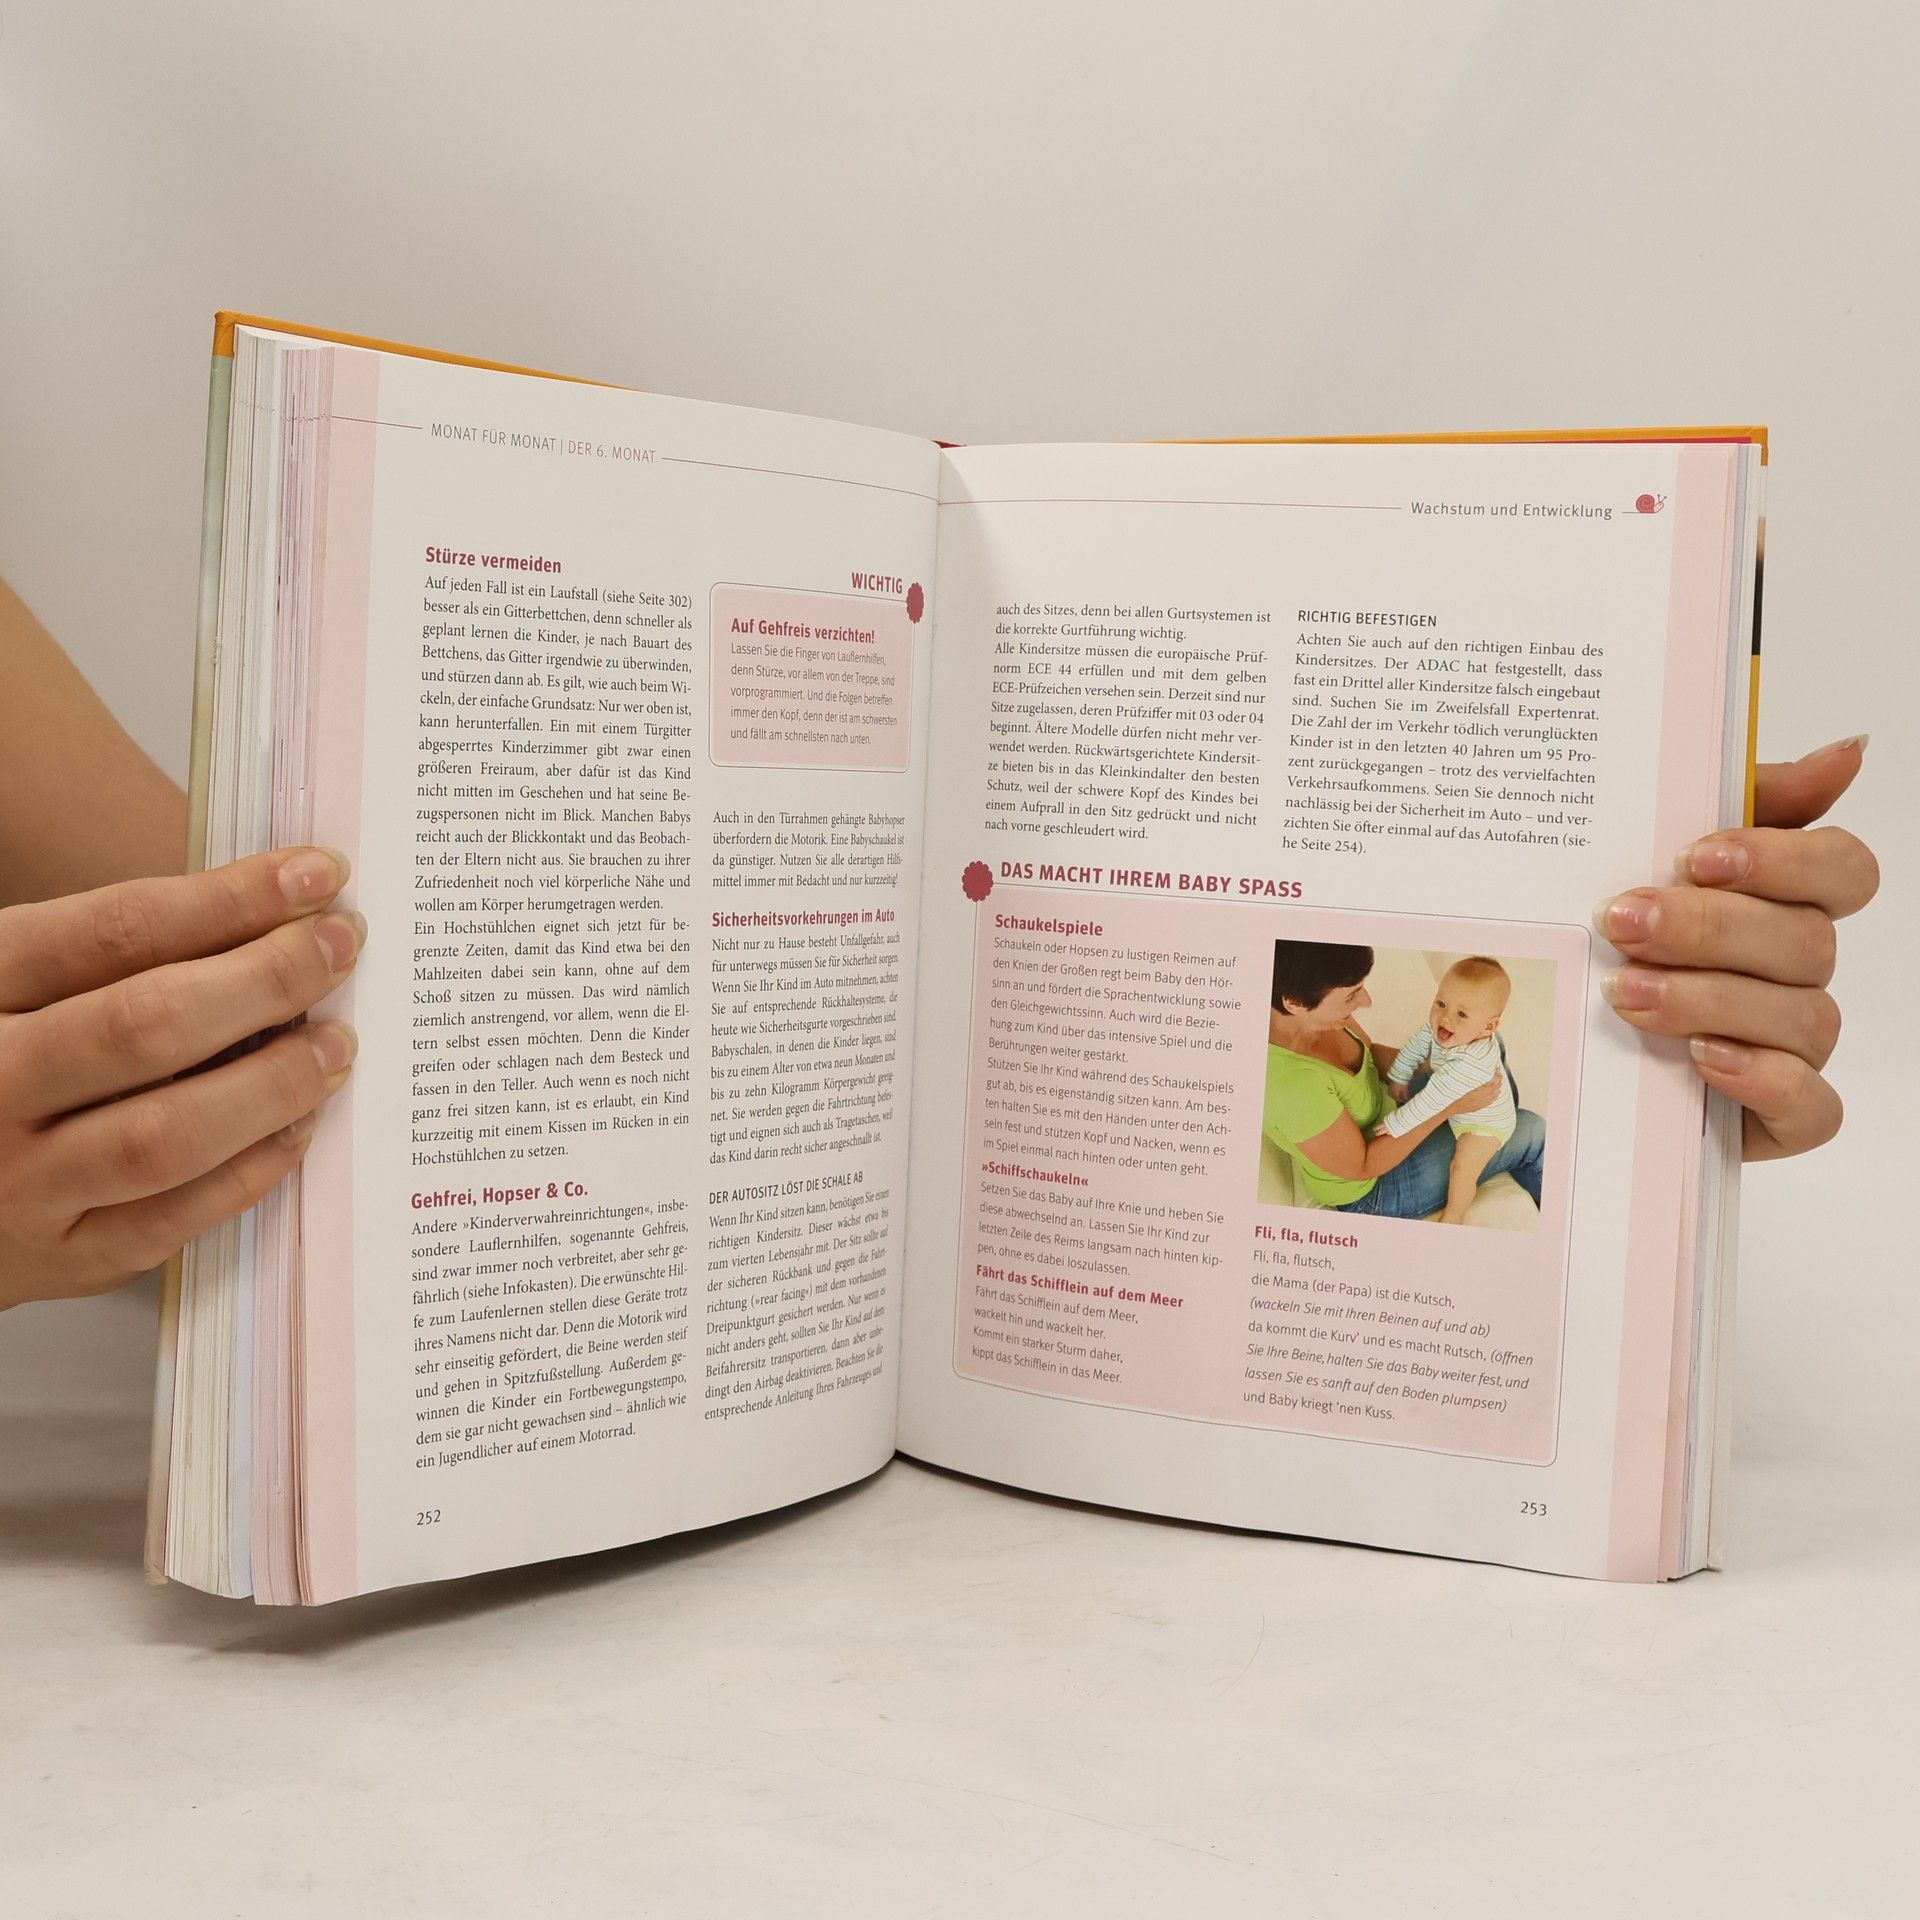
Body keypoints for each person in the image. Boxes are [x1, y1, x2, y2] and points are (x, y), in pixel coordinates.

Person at [0, 575, 1883, 1306]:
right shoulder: (1353, 1076)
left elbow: (238, 1047)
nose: (1392, 1015)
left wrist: (1637, 990)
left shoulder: (1407, 1051)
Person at [1263, 941, 1544, 1221]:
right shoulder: (1291, 1088)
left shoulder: (1319, 1016)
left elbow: (1370, 1055)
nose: (1366, 1001)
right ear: (1295, 1003)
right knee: (1533, 1130)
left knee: (1478, 1039)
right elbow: (1362, 1165)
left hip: (1388, 1109)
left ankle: (1489, 1117)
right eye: (1351, 996)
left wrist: (1440, 1065)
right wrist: (1451, 1104)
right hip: (1373, 1185)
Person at [1380, 955, 1520, 1224]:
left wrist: (1396, 1124)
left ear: (1488, 1027)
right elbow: (1415, 1045)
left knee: (1462, 1168)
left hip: (1485, 1124)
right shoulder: (1444, 1027)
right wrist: (1398, 1076)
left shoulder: (1469, 1064)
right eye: (1441, 1003)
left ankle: (1454, 1216)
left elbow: (1430, 1101)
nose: (1445, 1017)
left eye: (1462, 1014)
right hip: (1460, 1094)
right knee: (1428, 1061)